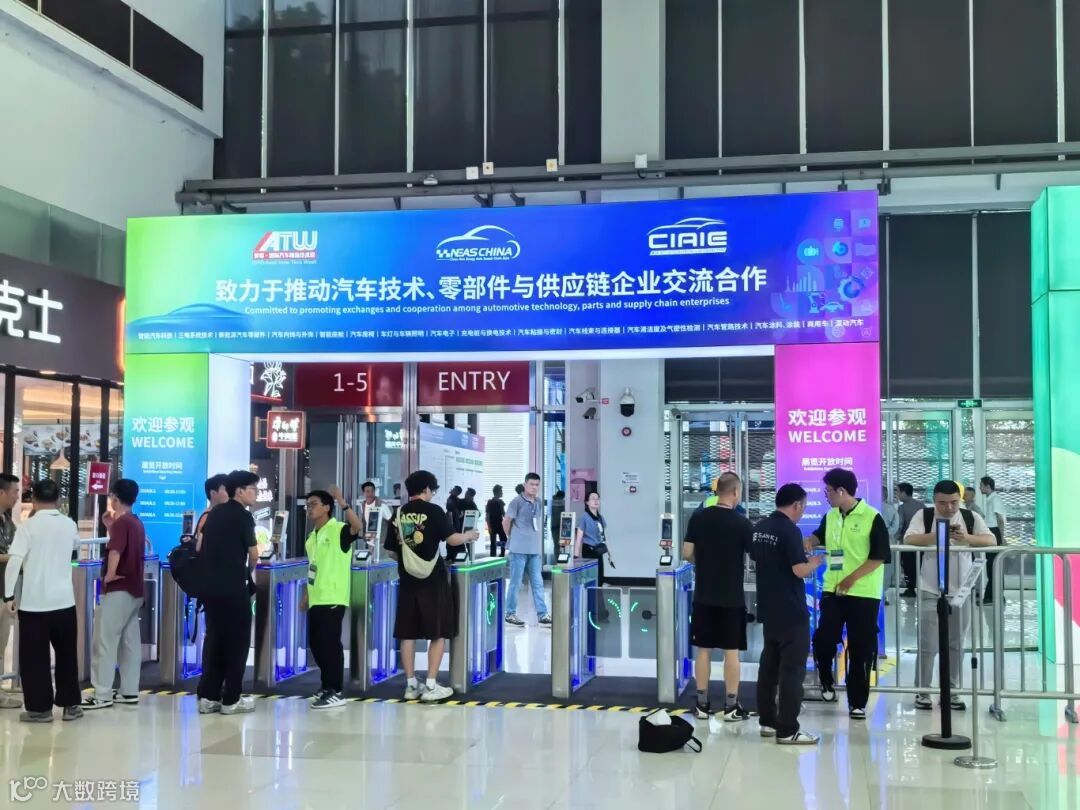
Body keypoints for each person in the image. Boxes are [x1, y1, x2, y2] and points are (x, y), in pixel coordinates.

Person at [384, 470, 478, 702]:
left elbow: (390, 551)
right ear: (426, 489)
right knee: (437, 631)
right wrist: (469, 535)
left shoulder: (399, 513)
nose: (432, 494)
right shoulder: (434, 511)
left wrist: (409, 562)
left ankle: (410, 685)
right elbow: (451, 539)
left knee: (407, 633)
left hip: (407, 580)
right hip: (433, 579)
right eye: (432, 490)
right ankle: (431, 685)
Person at [904, 480, 995, 710]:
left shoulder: (970, 517)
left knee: (956, 643)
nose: (949, 508)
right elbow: (909, 539)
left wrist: (966, 538)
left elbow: (991, 540)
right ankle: (923, 691)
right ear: (934, 500)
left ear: (960, 499)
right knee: (928, 644)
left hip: (962, 591)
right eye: (942, 503)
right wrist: (938, 535)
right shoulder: (924, 516)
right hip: (930, 588)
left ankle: (952, 691)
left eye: (954, 502)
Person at [808, 468, 890, 720]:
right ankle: (826, 681)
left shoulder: (872, 517)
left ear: (841, 491)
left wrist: (851, 578)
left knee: (861, 647)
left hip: (863, 592)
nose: (826, 495)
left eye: (828, 491)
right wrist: (807, 541)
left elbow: (879, 557)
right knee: (823, 639)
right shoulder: (831, 516)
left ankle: (857, 702)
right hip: (833, 590)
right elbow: (819, 535)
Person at [3, 480, 82, 722]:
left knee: (34, 658)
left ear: (34, 499)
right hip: (64, 601)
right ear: (58, 499)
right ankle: (71, 706)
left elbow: (14, 562)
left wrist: (8, 596)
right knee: (67, 655)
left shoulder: (28, 527)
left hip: (33, 604)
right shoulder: (70, 525)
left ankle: (40, 709)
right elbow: (75, 549)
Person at [753, 484, 827, 745]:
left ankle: (767, 721)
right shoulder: (790, 530)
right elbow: (798, 570)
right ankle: (787, 729)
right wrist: (813, 563)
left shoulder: (760, 527)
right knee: (793, 669)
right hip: (791, 610)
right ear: (797, 505)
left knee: (769, 666)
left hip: (769, 606)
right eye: (803, 507)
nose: (802, 511)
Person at [682, 472, 754, 721]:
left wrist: (703, 562)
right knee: (731, 652)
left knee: (703, 650)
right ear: (735, 492)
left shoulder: (699, 517)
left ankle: (702, 704)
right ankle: (731, 706)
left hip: (704, 595)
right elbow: (755, 555)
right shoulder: (742, 523)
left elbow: (686, 552)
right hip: (731, 597)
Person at [196, 469, 260, 716]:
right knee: (237, 643)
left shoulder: (214, 513)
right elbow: (253, 554)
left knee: (215, 641)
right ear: (240, 491)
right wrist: (247, 573)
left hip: (211, 590)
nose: (256, 493)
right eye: (252, 489)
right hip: (234, 590)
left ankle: (209, 697)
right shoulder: (243, 516)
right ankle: (231, 699)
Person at [82, 479, 147, 710]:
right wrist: (110, 526)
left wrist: (109, 575)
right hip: (135, 589)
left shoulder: (122, 523)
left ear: (115, 498)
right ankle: (129, 691)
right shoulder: (135, 522)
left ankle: (102, 693)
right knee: (130, 643)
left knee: (105, 642)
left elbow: (116, 550)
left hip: (118, 590)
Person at [299, 487, 362, 709]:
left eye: (314, 504)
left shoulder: (338, 530)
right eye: (307, 505)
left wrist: (343, 503)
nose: (309, 508)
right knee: (316, 644)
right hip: (317, 597)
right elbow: (312, 568)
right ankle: (326, 686)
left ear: (327, 507)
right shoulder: (311, 538)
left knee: (329, 645)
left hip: (333, 597)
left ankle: (336, 690)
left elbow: (357, 527)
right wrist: (307, 594)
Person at [503, 473, 552, 628]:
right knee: (516, 583)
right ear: (525, 485)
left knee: (538, 583)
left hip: (534, 550)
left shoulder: (538, 502)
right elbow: (506, 522)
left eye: (537, 485)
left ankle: (542, 614)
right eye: (531, 484)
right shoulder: (516, 502)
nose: (534, 487)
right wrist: (512, 536)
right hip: (518, 550)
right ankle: (510, 613)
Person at [0, 474, 23, 709]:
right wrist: (14, 557)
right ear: (2, 492)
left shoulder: (8, 521)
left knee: (1, 645)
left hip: (5, 593)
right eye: (15, 491)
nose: (18, 496)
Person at [979, 476, 1007, 604]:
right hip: (992, 532)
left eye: (981, 485)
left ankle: (993, 597)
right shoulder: (990, 499)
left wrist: (1001, 537)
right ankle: (994, 596)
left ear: (987, 486)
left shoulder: (995, 499)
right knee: (991, 565)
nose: (979, 488)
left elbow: (1000, 519)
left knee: (994, 565)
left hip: (995, 532)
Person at [895, 483, 925, 598]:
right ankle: (922, 588)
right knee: (920, 565)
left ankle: (911, 589)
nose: (897, 494)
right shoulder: (922, 505)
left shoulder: (902, 508)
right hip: (922, 541)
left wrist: (896, 536)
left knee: (908, 566)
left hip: (907, 542)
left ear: (904, 492)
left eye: (898, 492)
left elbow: (899, 524)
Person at [574, 491, 609, 586]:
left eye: (597, 498)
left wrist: (610, 554)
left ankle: (598, 594)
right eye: (593, 498)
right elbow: (579, 538)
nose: (596, 501)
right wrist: (576, 557)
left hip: (599, 551)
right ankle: (590, 595)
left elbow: (604, 536)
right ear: (587, 502)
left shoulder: (601, 518)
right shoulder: (584, 517)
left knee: (600, 577)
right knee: (590, 579)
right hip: (588, 551)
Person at [196, 473, 229, 544]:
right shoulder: (207, 517)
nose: (231, 493)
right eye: (227, 490)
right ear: (213, 493)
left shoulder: (219, 515)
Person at [485, 486, 507, 558]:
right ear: (497, 492)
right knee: (502, 540)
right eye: (501, 491)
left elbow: (487, 516)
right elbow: (504, 514)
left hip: (494, 524)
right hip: (499, 524)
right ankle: (501, 554)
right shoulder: (499, 502)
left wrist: (489, 526)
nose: (502, 493)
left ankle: (493, 556)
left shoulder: (490, 502)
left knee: (494, 542)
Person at [550, 489, 566, 558]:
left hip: (554, 526)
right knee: (563, 545)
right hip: (562, 526)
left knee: (556, 545)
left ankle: (557, 559)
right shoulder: (563, 502)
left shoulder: (553, 502)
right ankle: (562, 560)